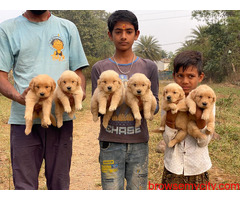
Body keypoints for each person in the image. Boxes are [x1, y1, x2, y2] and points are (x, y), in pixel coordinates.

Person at [0, 10, 88, 190]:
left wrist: (80, 93)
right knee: (24, 185)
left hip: (60, 119)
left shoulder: (67, 27)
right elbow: (0, 75)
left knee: (59, 183)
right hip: (24, 118)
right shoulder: (7, 29)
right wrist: (19, 97)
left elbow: (78, 71)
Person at [91, 10, 159, 190]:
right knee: (111, 188)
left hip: (139, 143)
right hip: (109, 143)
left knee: (137, 189)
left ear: (137, 34)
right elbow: (97, 103)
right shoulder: (100, 68)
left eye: (129, 31)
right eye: (118, 32)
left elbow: (156, 103)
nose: (123, 36)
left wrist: (144, 101)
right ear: (109, 35)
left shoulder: (148, 67)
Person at [161, 50, 213, 190]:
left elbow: (204, 142)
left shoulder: (207, 101)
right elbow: (167, 140)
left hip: (198, 168)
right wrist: (171, 118)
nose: (185, 81)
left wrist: (199, 119)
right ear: (174, 76)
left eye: (191, 76)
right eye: (180, 76)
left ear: (200, 77)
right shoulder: (168, 100)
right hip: (173, 169)